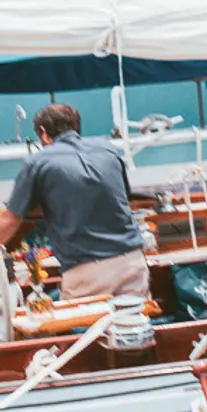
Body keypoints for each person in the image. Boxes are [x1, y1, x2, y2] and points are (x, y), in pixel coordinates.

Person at [0, 104, 151, 305]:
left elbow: (10, 219)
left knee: (87, 335)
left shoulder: (38, 162)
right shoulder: (109, 149)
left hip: (88, 271)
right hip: (133, 262)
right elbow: (124, 199)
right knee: (133, 329)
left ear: (43, 133)